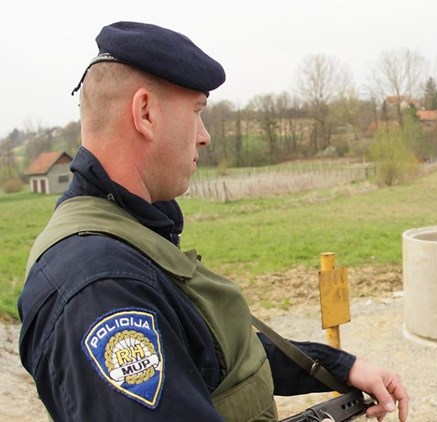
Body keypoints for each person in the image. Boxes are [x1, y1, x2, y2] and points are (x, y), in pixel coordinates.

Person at [17, 21, 408, 422]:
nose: (204, 136)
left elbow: (210, 355)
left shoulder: (127, 235)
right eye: (197, 111)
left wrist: (339, 366)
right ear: (145, 113)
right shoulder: (101, 289)